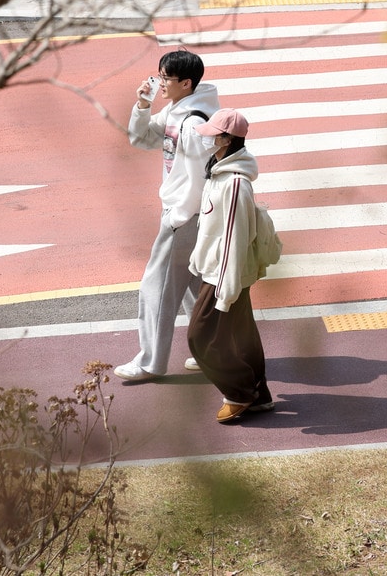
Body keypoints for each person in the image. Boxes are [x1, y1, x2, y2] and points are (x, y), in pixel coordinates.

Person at [117, 49, 220, 381]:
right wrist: (143, 106)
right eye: (159, 76)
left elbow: (197, 179)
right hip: (189, 215)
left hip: (184, 216)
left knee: (156, 288)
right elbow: (143, 138)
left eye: (165, 78)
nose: (159, 83)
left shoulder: (193, 122)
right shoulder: (178, 110)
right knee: (194, 287)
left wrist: (178, 217)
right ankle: (211, 353)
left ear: (186, 83)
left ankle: (150, 362)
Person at [186, 108, 274, 423]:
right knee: (241, 334)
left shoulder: (234, 183)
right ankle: (259, 395)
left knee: (199, 337)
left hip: (224, 274)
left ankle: (239, 392)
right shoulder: (220, 171)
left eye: (212, 134)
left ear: (227, 139)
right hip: (221, 270)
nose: (207, 137)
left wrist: (225, 289)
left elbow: (234, 241)